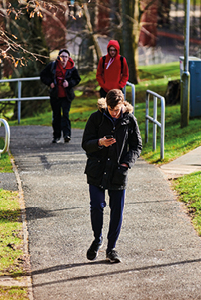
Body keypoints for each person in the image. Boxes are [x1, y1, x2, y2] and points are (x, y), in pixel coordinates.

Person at [82, 89, 142, 263]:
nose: (114, 113)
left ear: (123, 105)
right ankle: (97, 239)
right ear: (106, 105)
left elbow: (137, 146)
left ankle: (111, 248)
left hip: (118, 171)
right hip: (97, 170)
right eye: (111, 109)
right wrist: (99, 142)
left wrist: (126, 164)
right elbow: (85, 143)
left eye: (117, 110)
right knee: (96, 206)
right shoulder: (96, 118)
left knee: (117, 210)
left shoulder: (129, 119)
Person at [40, 49, 81, 143]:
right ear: (59, 57)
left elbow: (77, 79)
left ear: (69, 58)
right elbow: (43, 75)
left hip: (67, 95)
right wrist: (50, 83)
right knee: (56, 116)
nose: (64, 58)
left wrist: (69, 83)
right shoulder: (52, 66)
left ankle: (67, 135)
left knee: (65, 115)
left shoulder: (72, 67)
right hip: (55, 95)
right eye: (62, 56)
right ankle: (56, 136)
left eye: (66, 57)